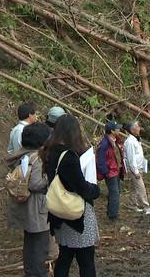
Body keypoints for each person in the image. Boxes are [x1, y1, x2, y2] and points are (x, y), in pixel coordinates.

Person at [43, 114, 100, 277]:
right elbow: (80, 186)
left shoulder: (49, 152)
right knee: (86, 260)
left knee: (65, 256)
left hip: (58, 213)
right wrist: (95, 190)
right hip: (75, 214)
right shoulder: (68, 156)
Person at [6, 122, 52, 277]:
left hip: (24, 206)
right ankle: (38, 273)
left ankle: (30, 272)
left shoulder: (20, 155)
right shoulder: (37, 158)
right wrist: (49, 177)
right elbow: (35, 184)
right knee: (40, 246)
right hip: (37, 208)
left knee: (29, 243)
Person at [96, 120, 124, 221]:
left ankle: (111, 211)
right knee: (114, 193)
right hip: (111, 172)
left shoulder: (116, 141)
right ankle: (113, 216)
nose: (119, 130)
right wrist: (105, 172)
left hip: (116, 170)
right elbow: (101, 160)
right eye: (117, 128)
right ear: (112, 131)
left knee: (115, 192)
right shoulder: (104, 144)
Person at [124, 120, 150, 215]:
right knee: (141, 188)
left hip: (139, 167)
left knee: (134, 188)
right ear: (132, 130)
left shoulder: (136, 139)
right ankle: (146, 207)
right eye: (137, 127)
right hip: (134, 169)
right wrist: (135, 172)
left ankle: (132, 204)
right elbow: (131, 159)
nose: (139, 128)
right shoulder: (130, 142)